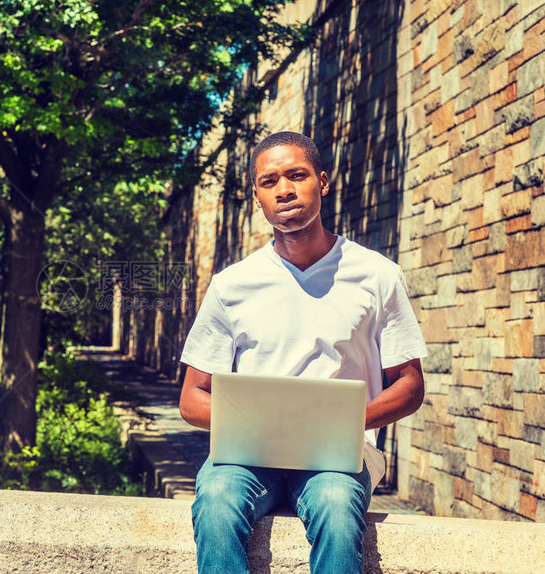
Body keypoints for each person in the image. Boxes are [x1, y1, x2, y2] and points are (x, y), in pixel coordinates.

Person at [179, 131, 428, 574]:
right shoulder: (231, 285)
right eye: (269, 181)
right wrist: (259, 423)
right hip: (249, 455)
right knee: (216, 499)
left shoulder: (377, 275)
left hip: (340, 453)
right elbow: (193, 397)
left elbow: (409, 385)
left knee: (335, 504)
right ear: (256, 195)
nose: (285, 190)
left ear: (323, 182)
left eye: (297, 175)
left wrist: (343, 421)